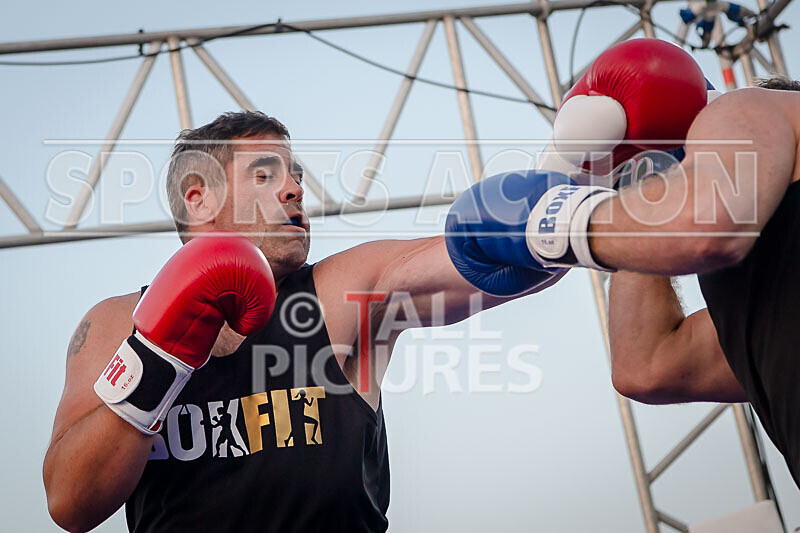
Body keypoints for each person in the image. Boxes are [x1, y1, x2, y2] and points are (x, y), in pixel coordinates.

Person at [43, 112, 564, 533]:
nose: (294, 190)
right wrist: (159, 354)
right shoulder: (115, 325)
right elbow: (71, 503)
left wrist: (578, 178)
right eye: (266, 175)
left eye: (294, 176)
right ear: (198, 199)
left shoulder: (339, 292)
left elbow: (500, 263)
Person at [445, 76, 800, 487]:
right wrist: (646, 181)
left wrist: (554, 221)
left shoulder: (759, 105)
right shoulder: (774, 312)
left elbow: (705, 227)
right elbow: (647, 365)